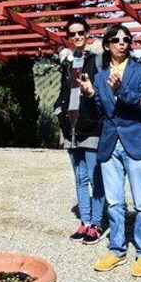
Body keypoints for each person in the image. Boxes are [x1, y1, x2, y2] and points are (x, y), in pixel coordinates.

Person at [79, 24, 141, 277]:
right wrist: (90, 95)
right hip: (110, 144)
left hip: (136, 142)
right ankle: (117, 249)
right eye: (115, 39)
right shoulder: (100, 77)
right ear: (107, 45)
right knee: (114, 203)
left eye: (126, 39)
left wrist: (120, 90)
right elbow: (96, 115)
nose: (122, 43)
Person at [54, 17, 105, 245]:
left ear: (87, 33)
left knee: (95, 177)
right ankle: (84, 222)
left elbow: (102, 91)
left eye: (80, 32)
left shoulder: (97, 59)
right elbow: (64, 91)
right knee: (79, 178)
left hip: (91, 126)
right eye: (72, 34)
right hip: (71, 128)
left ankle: (96, 223)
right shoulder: (66, 61)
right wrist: (58, 111)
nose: (76, 37)